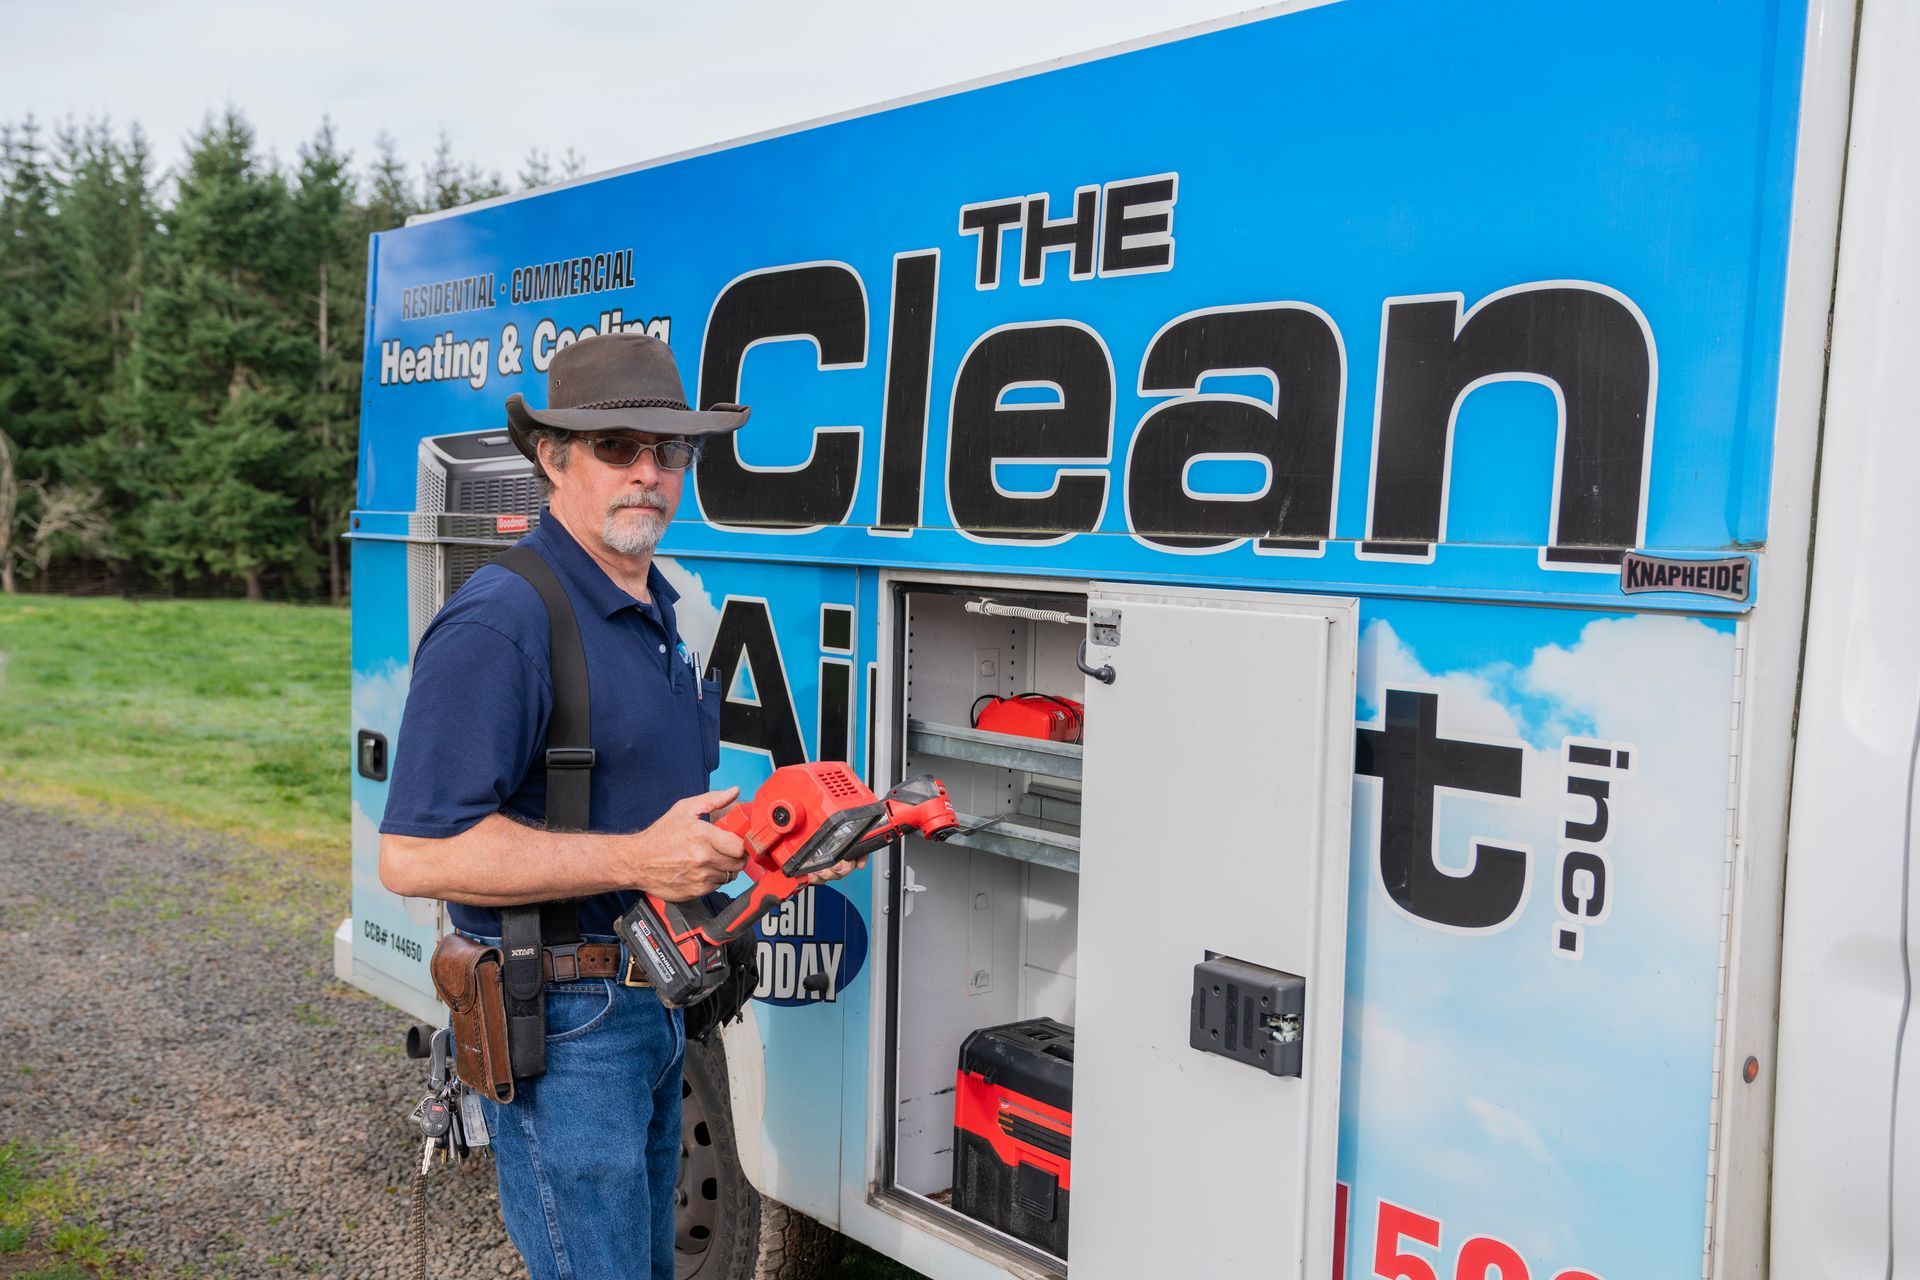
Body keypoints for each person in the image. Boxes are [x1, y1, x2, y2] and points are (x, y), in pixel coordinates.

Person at [378, 331, 855, 1279]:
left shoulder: (658, 610)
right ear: (553, 457)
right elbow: (415, 856)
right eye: (617, 448)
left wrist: (770, 850)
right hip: (565, 1025)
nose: (649, 472)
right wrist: (638, 861)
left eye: (670, 449)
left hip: (657, 1007)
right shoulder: (503, 620)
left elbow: (656, 822)